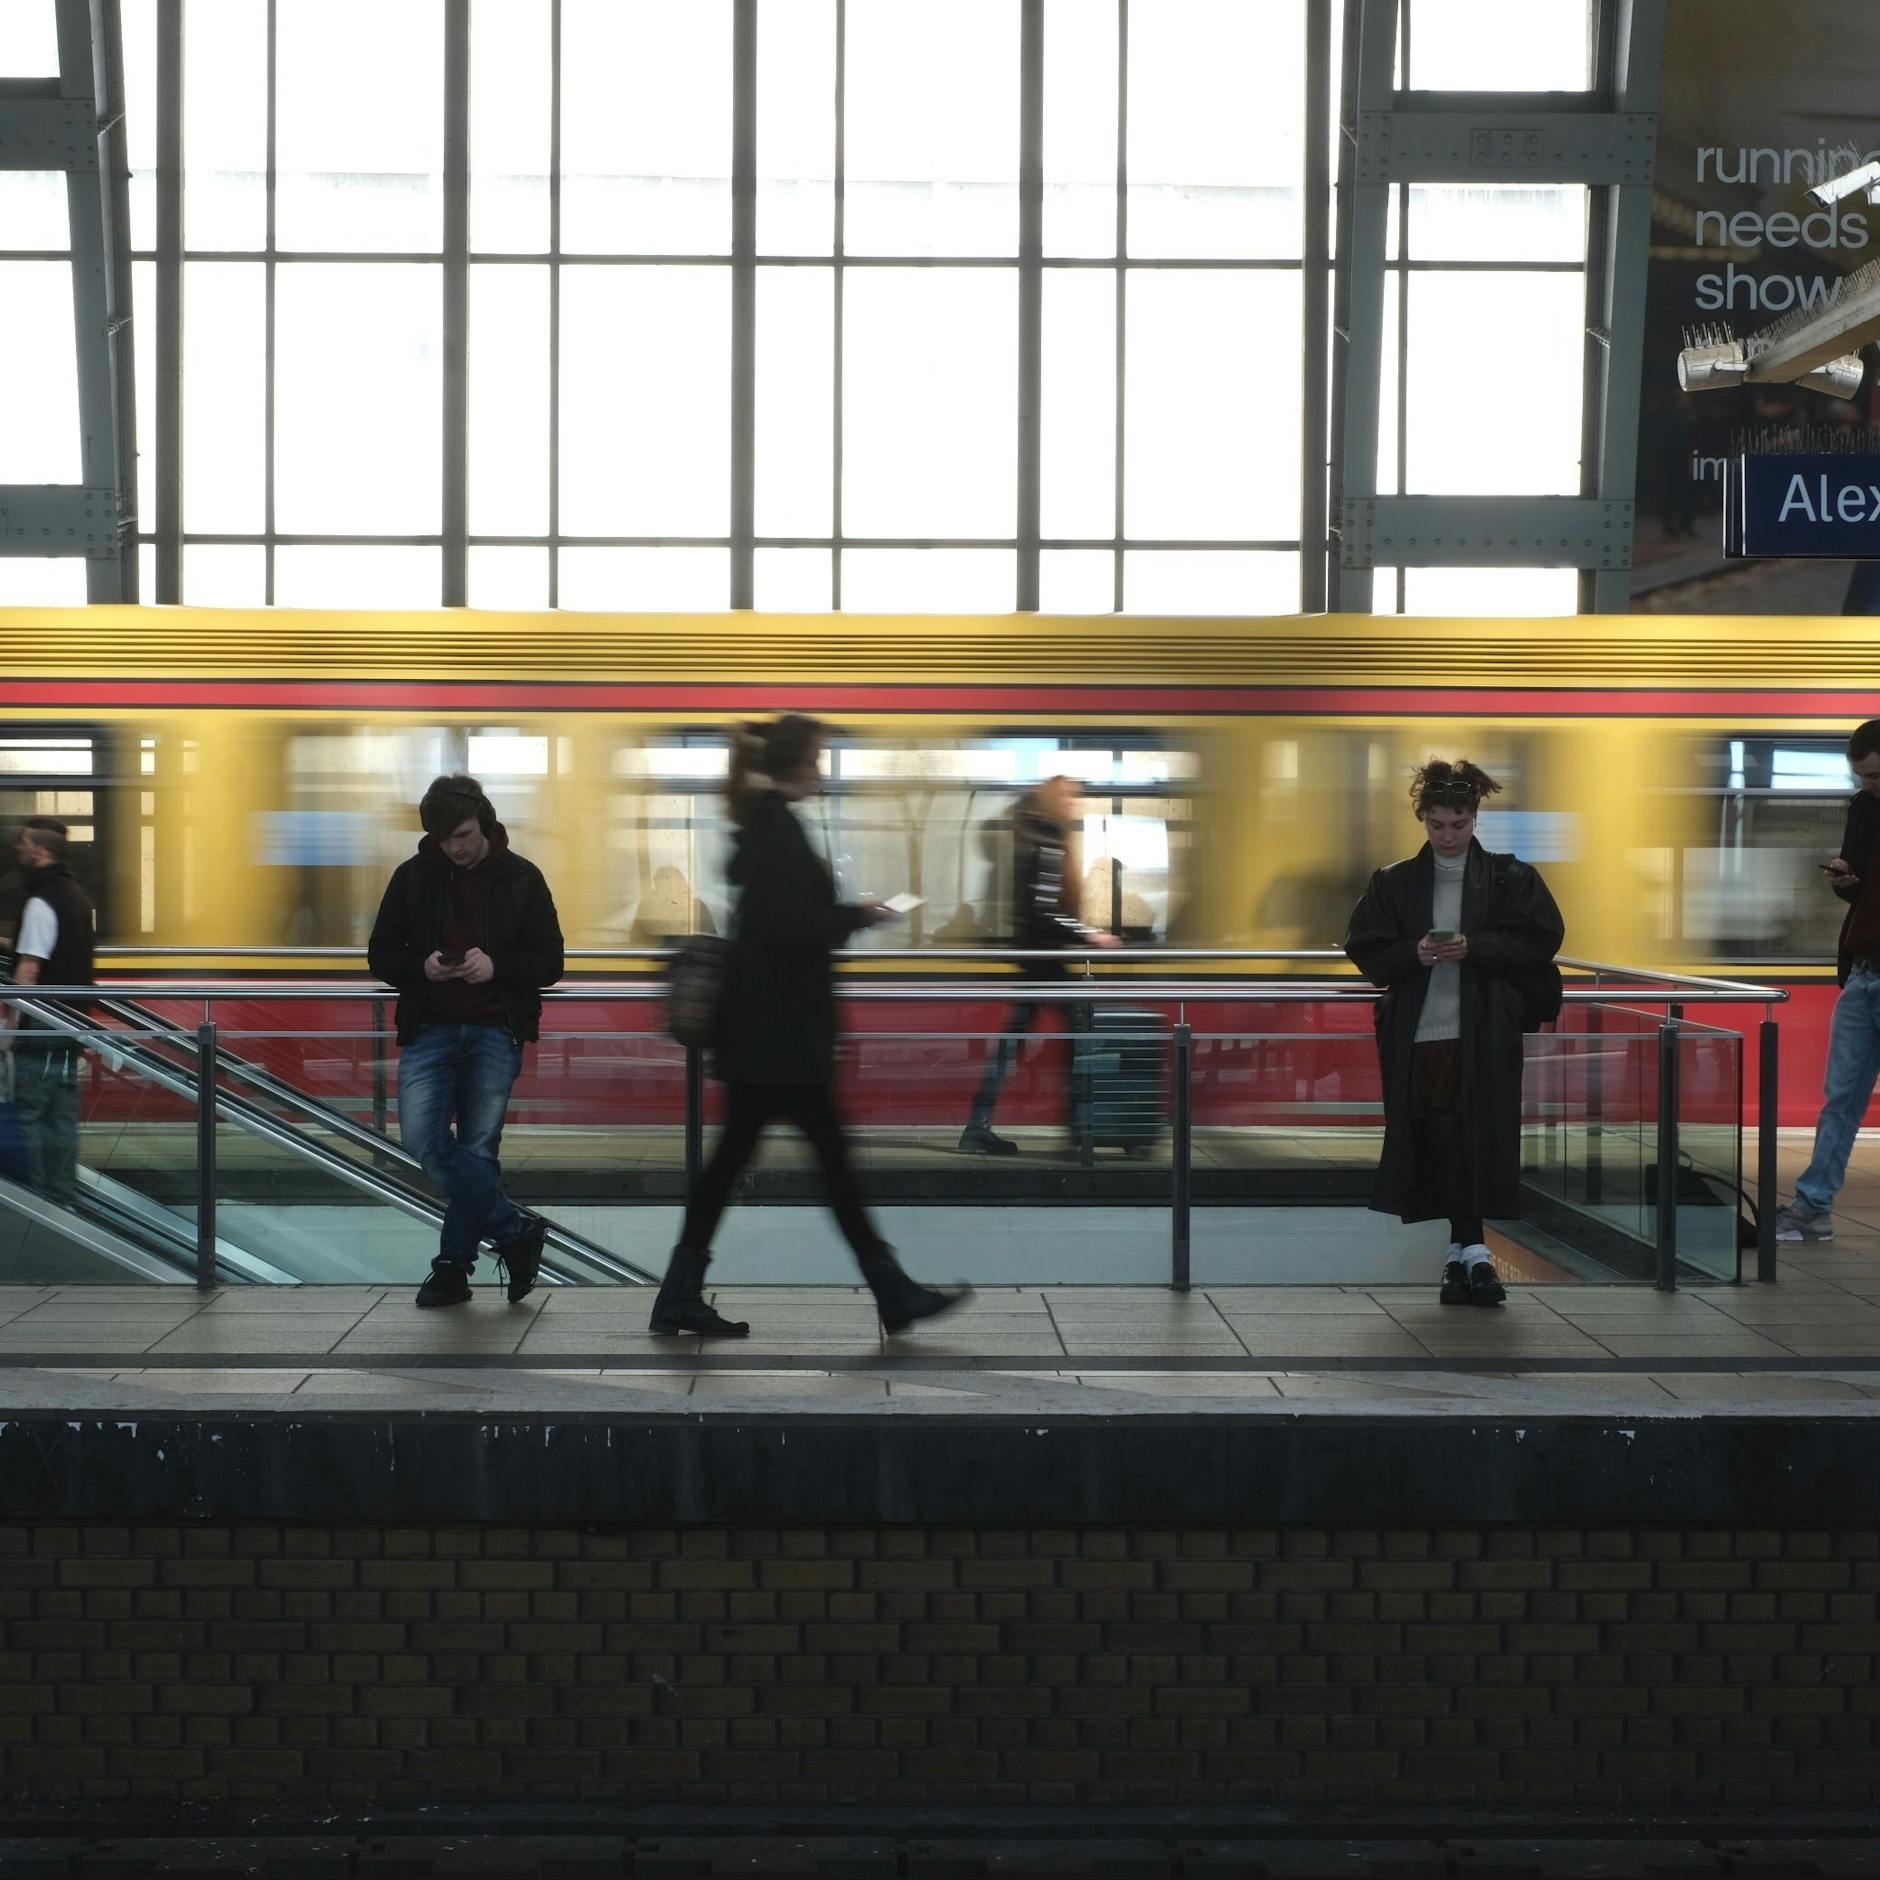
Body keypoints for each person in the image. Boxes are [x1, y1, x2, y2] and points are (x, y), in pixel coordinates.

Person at [649, 714, 970, 1339]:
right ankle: (890, 1290)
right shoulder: (777, 831)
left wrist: (845, 915)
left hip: (766, 1039)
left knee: (752, 1168)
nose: (821, 772)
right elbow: (791, 926)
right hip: (779, 1040)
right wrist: (856, 917)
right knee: (831, 1167)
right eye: (818, 760)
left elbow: (786, 919)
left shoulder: (768, 827)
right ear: (796, 765)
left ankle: (682, 1294)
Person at [1344, 760, 1564, 1306]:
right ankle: (1471, 1253)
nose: (1448, 835)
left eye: (1459, 824)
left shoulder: (1511, 877)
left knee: (1472, 1138)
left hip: (1481, 1032)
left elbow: (1543, 941)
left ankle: (1465, 1252)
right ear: (1424, 820)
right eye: (1438, 824)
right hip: (1426, 1036)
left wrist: (1474, 947)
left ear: (1474, 820)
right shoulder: (1393, 881)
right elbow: (1366, 950)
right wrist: (1414, 954)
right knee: (1446, 1141)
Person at [368, 775, 564, 1308]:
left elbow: (550, 961)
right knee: (424, 1142)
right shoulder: (413, 877)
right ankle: (514, 1230)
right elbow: (381, 953)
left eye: (462, 834)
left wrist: (498, 966)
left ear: (485, 822)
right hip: (431, 1026)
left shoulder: (523, 878)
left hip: (494, 1030)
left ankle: (453, 1268)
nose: (454, 847)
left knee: (477, 1153)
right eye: (444, 838)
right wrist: (421, 967)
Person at [959, 776, 1120, 1156]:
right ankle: (1079, 1124)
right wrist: (1091, 935)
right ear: (1052, 799)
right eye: (1069, 796)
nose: (1075, 803)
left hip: (1037, 956)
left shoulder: (1031, 833)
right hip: (1045, 958)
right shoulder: (1046, 839)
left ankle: (982, 1125)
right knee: (1078, 1032)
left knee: (1021, 1039)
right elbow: (1044, 911)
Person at [1775, 719, 1880, 1242]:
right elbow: (1855, 890)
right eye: (1861, 777)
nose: (1868, 786)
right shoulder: (1864, 809)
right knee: (1840, 1098)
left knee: (1842, 1097)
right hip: (1864, 974)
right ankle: (1812, 1208)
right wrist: (1846, 877)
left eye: (1877, 776)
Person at [3, 818, 96, 1206]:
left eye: (22, 843)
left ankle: (36, 1198)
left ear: (40, 851)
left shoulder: (40, 900)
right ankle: (62, 1193)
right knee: (61, 1114)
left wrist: (13, 1023)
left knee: (31, 1111)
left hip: (40, 1023)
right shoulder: (75, 895)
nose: (17, 848)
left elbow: (30, 966)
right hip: (68, 1021)